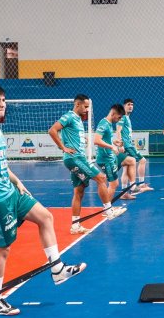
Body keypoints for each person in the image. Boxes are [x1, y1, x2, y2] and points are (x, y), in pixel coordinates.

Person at [0, 83, 87, 316]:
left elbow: (0, 164)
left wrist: (17, 181)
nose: (3, 104)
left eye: (3, 100)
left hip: (11, 192)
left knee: (45, 217)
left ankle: (57, 269)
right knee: (2, 250)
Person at [48, 94, 127, 235]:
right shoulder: (69, 116)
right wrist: (63, 147)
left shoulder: (78, 120)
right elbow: (52, 130)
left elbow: (71, 134)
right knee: (101, 178)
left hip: (78, 157)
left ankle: (75, 226)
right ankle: (109, 211)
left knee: (79, 191)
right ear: (77, 104)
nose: (87, 110)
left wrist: (82, 138)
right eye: (85, 107)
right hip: (75, 158)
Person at [94, 104, 136, 215]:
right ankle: (107, 210)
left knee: (130, 162)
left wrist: (114, 142)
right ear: (113, 113)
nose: (119, 119)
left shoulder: (108, 124)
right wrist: (112, 147)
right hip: (105, 159)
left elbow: (105, 139)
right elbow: (96, 140)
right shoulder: (104, 123)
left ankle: (108, 208)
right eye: (119, 117)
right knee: (113, 184)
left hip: (110, 157)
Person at [115, 99, 154, 193]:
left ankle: (124, 190)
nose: (131, 106)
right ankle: (141, 184)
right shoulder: (123, 117)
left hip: (127, 144)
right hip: (127, 145)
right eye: (128, 104)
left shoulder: (126, 117)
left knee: (126, 167)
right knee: (142, 160)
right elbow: (118, 131)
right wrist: (120, 145)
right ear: (124, 106)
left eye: (132, 105)